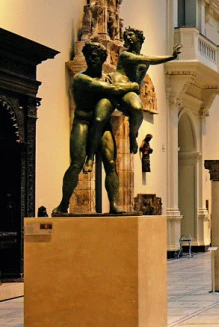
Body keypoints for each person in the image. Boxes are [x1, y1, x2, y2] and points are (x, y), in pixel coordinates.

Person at [53, 42, 139, 214]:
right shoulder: (81, 79)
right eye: (88, 56)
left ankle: (113, 203)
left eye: (95, 56)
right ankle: (63, 204)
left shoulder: (108, 78)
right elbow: (113, 88)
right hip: (83, 122)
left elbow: (121, 98)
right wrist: (134, 86)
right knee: (76, 163)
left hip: (103, 125)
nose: (91, 59)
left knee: (111, 163)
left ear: (102, 59)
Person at [84, 28, 181, 172]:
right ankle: (90, 156)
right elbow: (147, 60)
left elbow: (145, 63)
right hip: (115, 86)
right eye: (126, 36)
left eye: (131, 35)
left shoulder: (143, 59)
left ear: (139, 38)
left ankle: (132, 134)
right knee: (98, 119)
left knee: (137, 108)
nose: (128, 38)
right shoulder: (125, 55)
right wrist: (171, 57)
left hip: (129, 91)